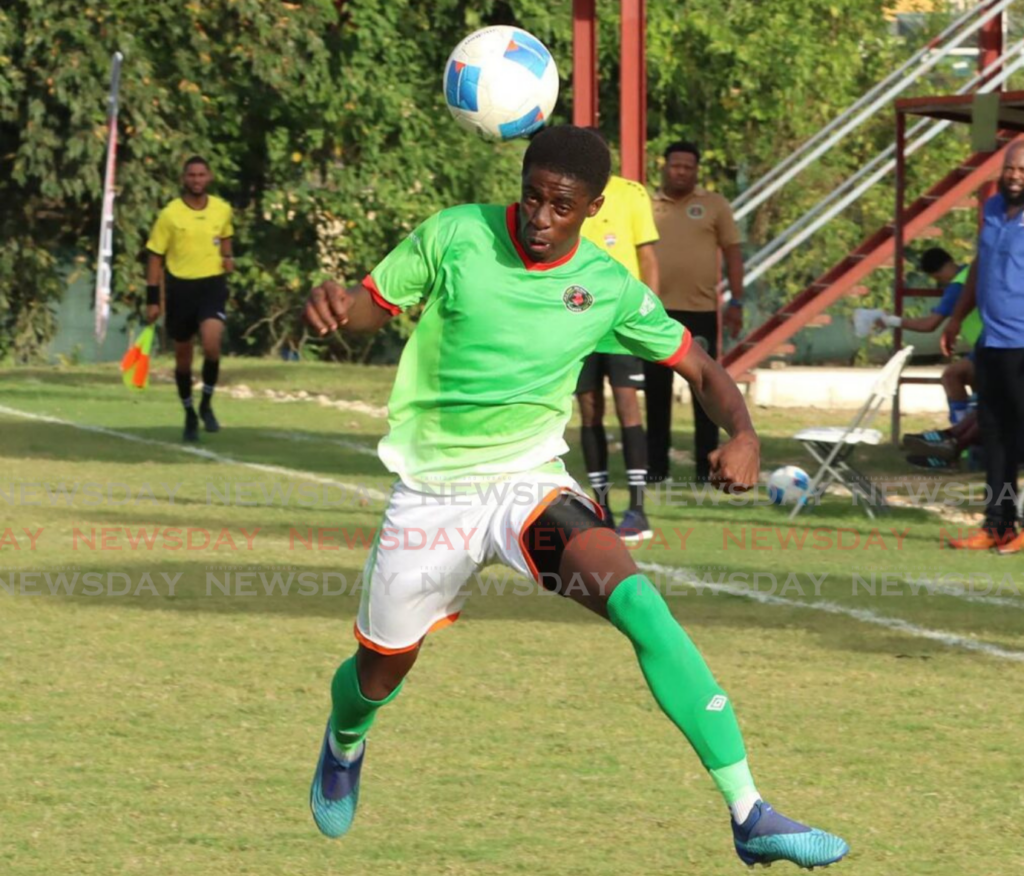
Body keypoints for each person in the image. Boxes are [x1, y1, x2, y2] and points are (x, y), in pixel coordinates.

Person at [301, 125, 848, 868]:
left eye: (561, 205)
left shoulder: (608, 286)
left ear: (593, 208)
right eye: (530, 197)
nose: (539, 217)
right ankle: (346, 740)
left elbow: (701, 368)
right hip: (432, 496)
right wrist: (338, 310)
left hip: (527, 485)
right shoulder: (455, 234)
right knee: (379, 672)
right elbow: (373, 305)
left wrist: (744, 431)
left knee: (640, 605)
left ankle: (750, 811)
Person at [574, 130, 660, 542]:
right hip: (577, 323)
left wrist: (651, 311)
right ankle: (601, 507)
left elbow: (647, 255)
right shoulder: (570, 194)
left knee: (629, 407)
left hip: (622, 320)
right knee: (589, 412)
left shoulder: (631, 193)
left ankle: (638, 510)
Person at [941, 142, 1024, 552]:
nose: (1015, 175)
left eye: (1022, 169)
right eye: (1010, 167)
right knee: (996, 436)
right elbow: (980, 266)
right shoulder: (992, 208)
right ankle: (998, 524)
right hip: (990, 343)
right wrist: (957, 317)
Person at [645, 141, 744, 483]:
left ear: (696, 170)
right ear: (665, 167)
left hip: (701, 310)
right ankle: (656, 469)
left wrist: (738, 301)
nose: (681, 172)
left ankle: (708, 468)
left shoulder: (715, 205)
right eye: (676, 165)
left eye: (688, 166)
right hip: (655, 313)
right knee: (656, 394)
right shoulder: (646, 203)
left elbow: (733, 253)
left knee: (707, 392)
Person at [145, 156, 234, 441]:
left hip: (212, 286)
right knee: (183, 359)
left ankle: (206, 404)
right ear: (184, 179)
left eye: (201, 174)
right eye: (191, 175)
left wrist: (228, 257)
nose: (197, 179)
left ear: (209, 178)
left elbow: (226, 238)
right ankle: (189, 414)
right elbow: (155, 257)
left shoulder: (222, 209)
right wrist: (152, 299)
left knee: (211, 342)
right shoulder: (170, 214)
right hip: (180, 289)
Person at [866, 246, 979, 425]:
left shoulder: (958, 286)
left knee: (951, 377)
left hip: (991, 344)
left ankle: (960, 432)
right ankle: (975, 436)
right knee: (977, 388)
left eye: (937, 277)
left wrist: (891, 321)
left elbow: (929, 325)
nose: (939, 281)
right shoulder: (970, 273)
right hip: (993, 343)